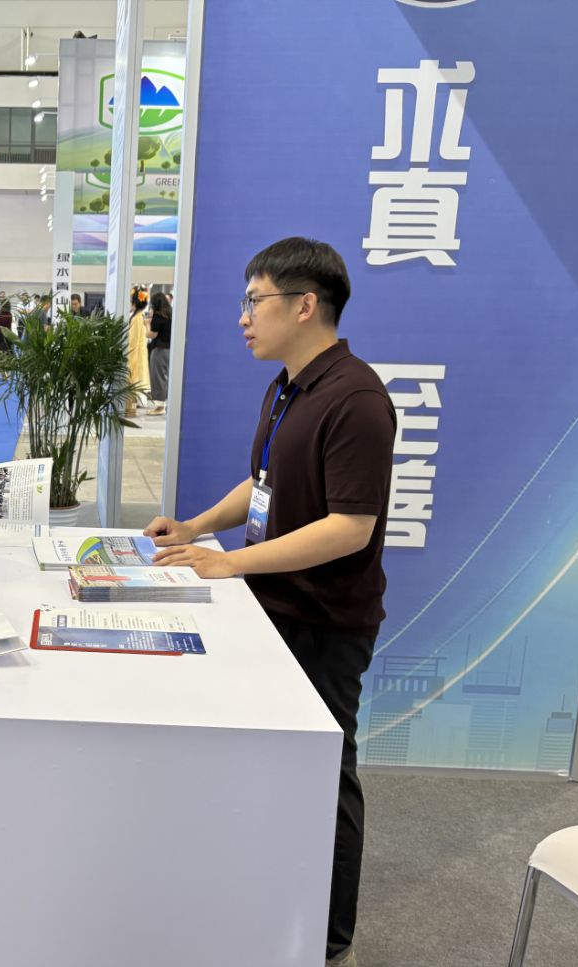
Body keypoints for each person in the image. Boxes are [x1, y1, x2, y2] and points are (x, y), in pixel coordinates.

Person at [145, 238, 395, 967]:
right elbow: (262, 485)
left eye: (255, 301)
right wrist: (195, 526)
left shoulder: (356, 399)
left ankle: (329, 940)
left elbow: (350, 528)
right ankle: (268, 902)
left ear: (305, 304)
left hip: (323, 622)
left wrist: (231, 563)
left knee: (325, 772)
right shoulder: (289, 385)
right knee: (272, 767)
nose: (243, 317)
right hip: (271, 609)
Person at [126, 287, 151, 418]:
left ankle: (131, 408)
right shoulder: (138, 316)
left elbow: (133, 339)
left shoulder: (136, 318)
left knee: (133, 379)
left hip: (135, 353)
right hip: (138, 352)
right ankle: (132, 407)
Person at [147, 295, 172, 416]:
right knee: (166, 378)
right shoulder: (170, 314)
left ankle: (160, 406)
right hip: (169, 350)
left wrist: (147, 324)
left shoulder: (158, 316)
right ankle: (165, 404)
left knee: (158, 378)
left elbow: (152, 334)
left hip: (159, 350)